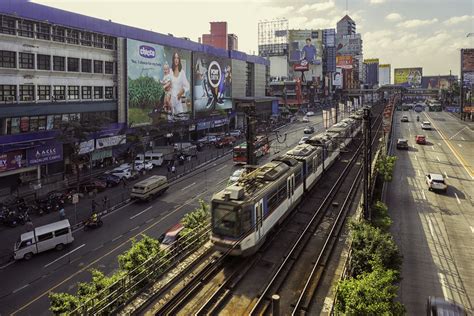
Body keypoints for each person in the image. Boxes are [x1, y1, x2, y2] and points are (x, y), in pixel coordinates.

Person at [170, 52, 190, 116]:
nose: (176, 59)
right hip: (170, 100)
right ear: (173, 60)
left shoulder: (182, 72)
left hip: (178, 100)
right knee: (170, 121)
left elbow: (187, 86)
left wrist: (182, 91)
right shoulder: (170, 71)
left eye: (177, 58)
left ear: (179, 60)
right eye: (175, 58)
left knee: (181, 118)